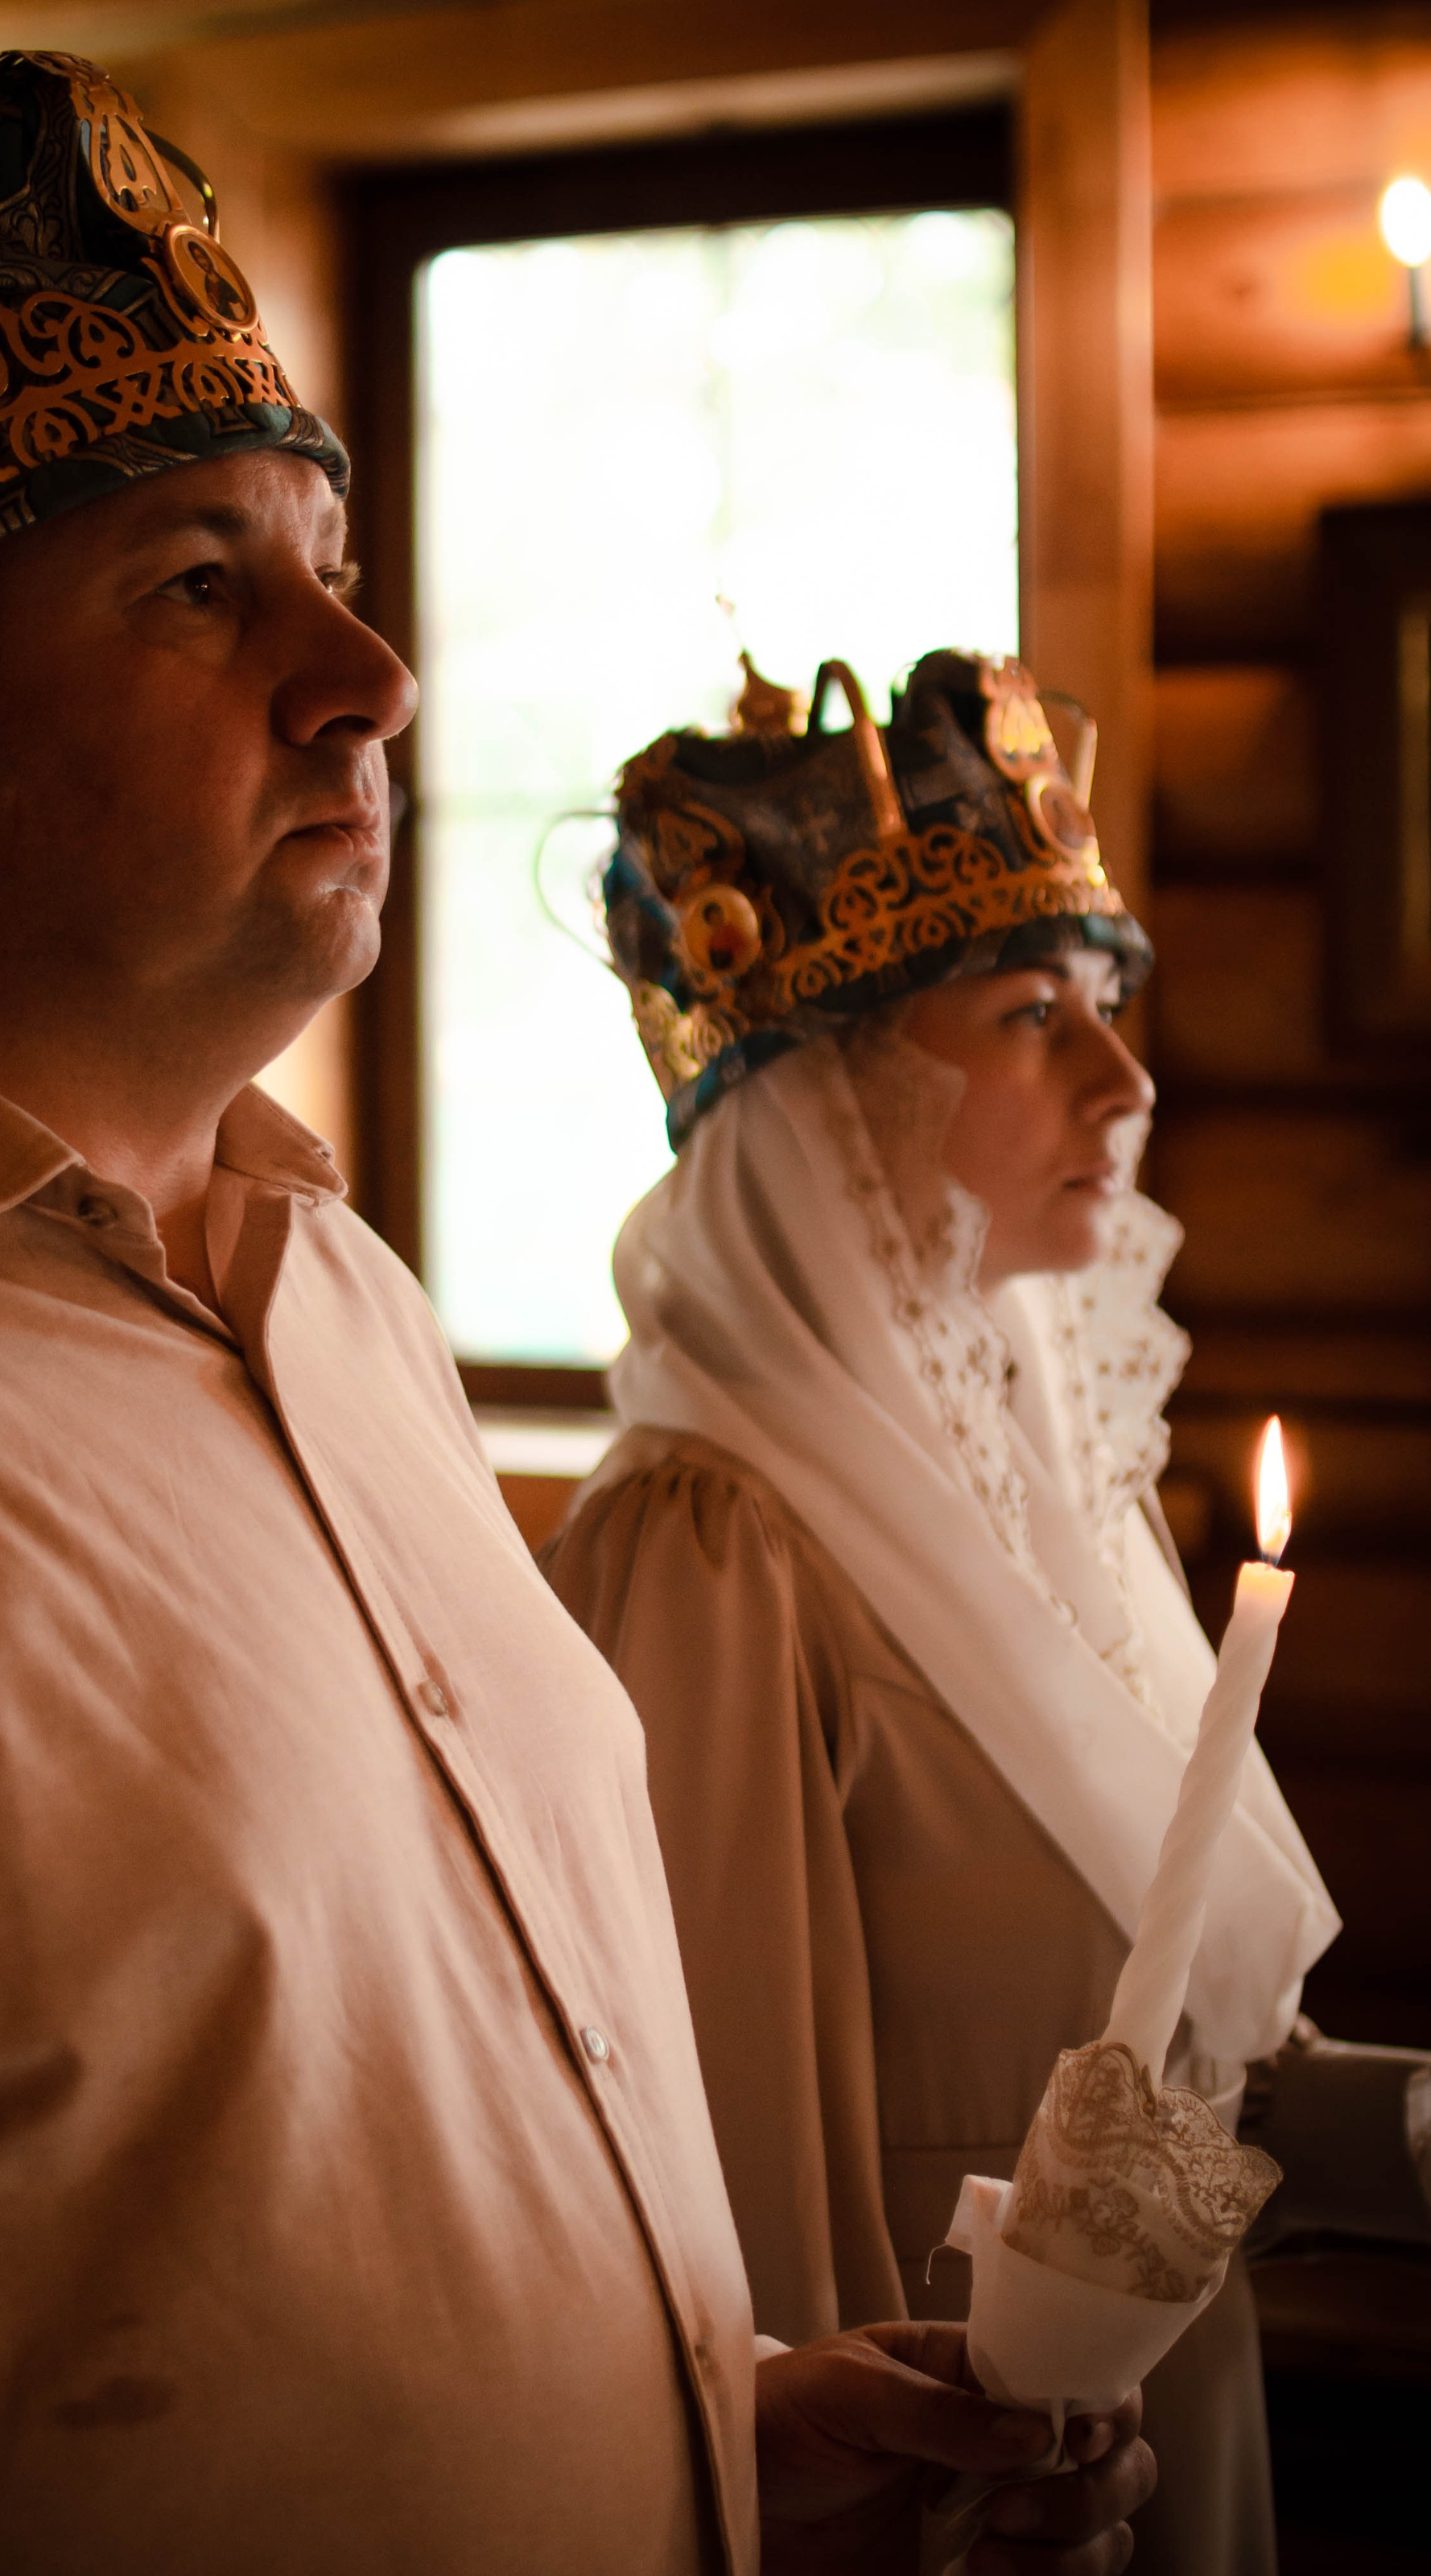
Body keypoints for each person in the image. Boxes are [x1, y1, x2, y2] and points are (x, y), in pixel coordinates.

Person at [0, 52, 1152, 2575]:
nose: (374, 675)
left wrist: (717, 2442)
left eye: (325, 557)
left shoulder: (334, 1287)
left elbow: (249, 2220)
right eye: (201, 586)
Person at [543, 646, 1431, 2574]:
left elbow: (1136, 2069)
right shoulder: (711, 1548)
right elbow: (731, 2198)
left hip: (1159, 2420)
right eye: (1031, 1012)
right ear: (831, 1108)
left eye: (1106, 1003)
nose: (1120, 1074)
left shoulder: (1035, 1489)